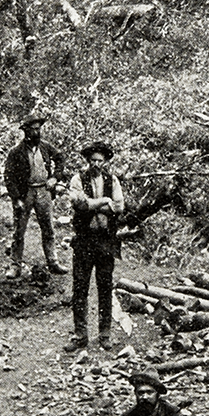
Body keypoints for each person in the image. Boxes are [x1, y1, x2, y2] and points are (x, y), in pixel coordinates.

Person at [67, 141, 126, 352]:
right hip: (84, 240)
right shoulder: (77, 179)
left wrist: (95, 203)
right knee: (80, 288)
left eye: (100, 161)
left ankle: (105, 334)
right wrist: (104, 201)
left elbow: (119, 207)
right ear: (87, 161)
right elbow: (80, 205)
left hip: (105, 241)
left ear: (106, 162)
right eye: (93, 160)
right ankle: (80, 335)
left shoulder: (113, 180)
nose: (96, 164)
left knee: (105, 287)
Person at [2, 115, 66, 280]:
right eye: (33, 129)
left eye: (38, 129)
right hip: (26, 193)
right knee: (19, 230)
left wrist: (55, 178)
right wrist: (16, 198)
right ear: (25, 131)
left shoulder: (45, 147)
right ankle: (15, 265)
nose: (37, 132)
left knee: (48, 228)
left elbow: (60, 159)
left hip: (44, 191)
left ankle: (53, 262)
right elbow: (8, 176)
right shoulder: (16, 152)